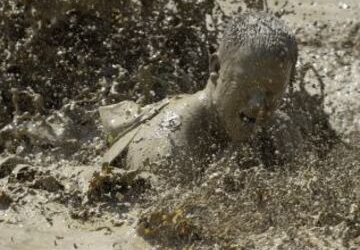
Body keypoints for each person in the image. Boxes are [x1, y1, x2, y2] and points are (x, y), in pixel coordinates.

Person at [100, 12, 300, 172]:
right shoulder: (169, 151)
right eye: (247, 86)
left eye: (271, 92)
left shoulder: (281, 132)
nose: (258, 105)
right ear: (216, 69)